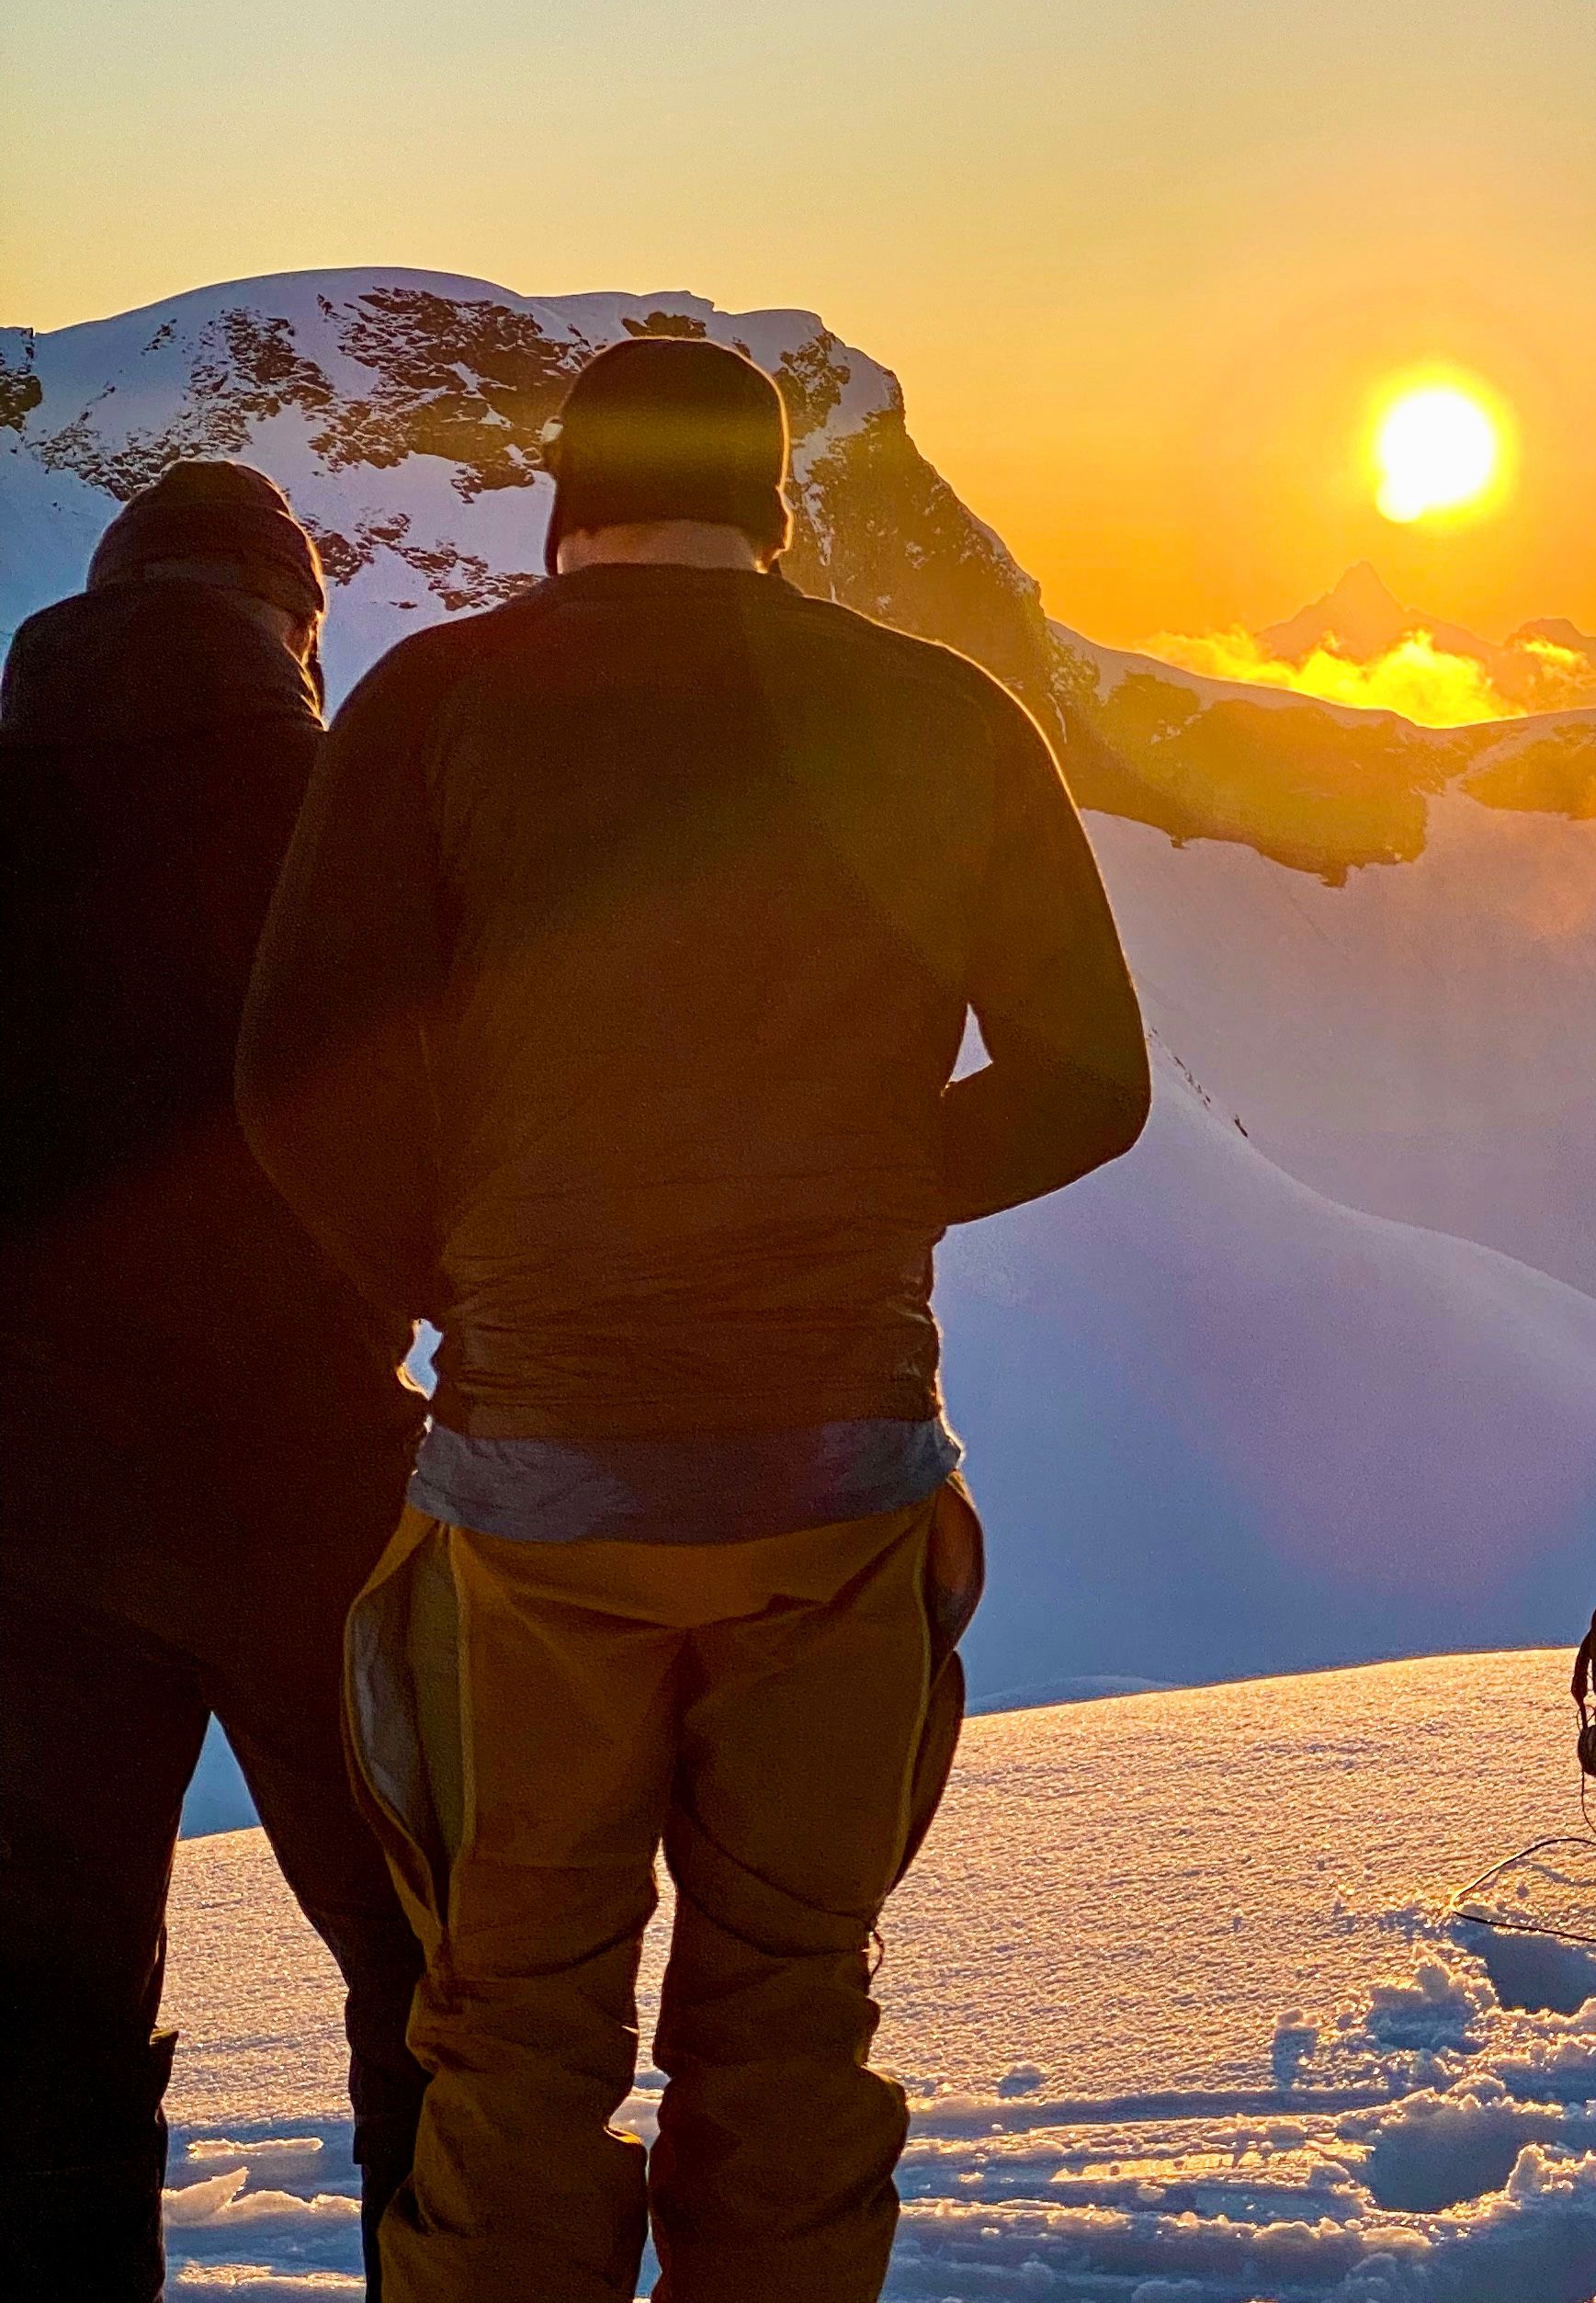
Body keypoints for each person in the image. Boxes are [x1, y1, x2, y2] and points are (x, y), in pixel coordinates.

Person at [234, 335, 1153, 2303]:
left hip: (537, 1488)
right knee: (791, 2011)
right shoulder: (937, 712)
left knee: (513, 2026)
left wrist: (462, 1268)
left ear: (565, 503)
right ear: (779, 511)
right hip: (838, 1477)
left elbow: (291, 1069)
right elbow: (1092, 1082)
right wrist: (856, 1192)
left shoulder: (436, 704)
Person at [0, 460, 428, 2303]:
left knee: (40, 2010)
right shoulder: (350, 808)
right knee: (439, 1978)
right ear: (294, 626)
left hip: (24, 1516)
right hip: (313, 1486)